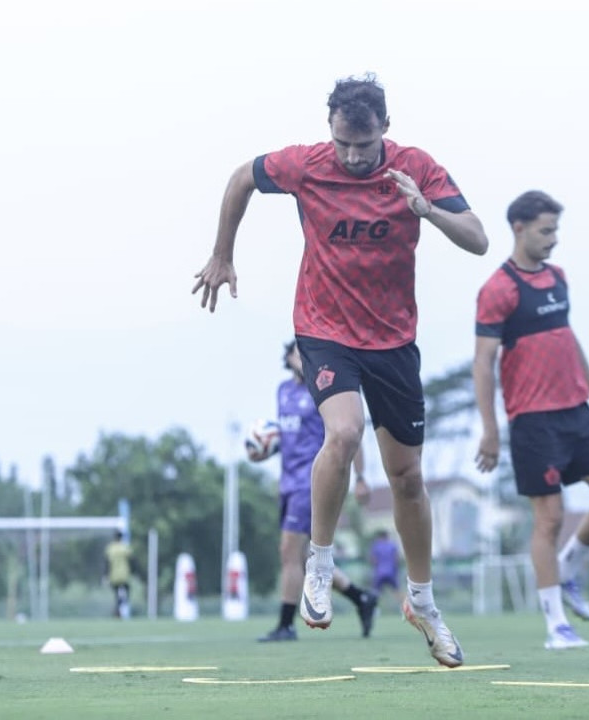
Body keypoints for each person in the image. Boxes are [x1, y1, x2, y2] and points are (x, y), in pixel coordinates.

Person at [193, 73, 488, 667]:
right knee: (345, 431)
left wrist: (426, 210)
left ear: (386, 128)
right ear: (331, 130)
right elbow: (240, 178)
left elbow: (479, 240)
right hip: (323, 330)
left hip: (393, 339)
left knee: (406, 478)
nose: (354, 157)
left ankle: (423, 604)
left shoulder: (417, 168)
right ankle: (319, 565)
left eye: (365, 144)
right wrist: (222, 253)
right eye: (344, 144)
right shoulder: (306, 165)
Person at [472, 190, 589, 650]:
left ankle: (571, 565)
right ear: (519, 228)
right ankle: (556, 626)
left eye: (556, 230)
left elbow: (567, 336)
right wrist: (490, 430)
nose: (554, 239)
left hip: (576, 412)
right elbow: (482, 363)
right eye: (546, 230)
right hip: (532, 421)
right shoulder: (498, 290)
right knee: (549, 518)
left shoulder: (558, 278)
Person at [257, 340, 379, 642]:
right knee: (297, 560)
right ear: (286, 357)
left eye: (305, 351)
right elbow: (289, 438)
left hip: (308, 484)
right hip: (286, 483)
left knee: (289, 552)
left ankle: (285, 625)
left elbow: (350, 435)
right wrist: (265, 449)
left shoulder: (322, 389)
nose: (302, 356)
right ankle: (361, 598)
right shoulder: (283, 391)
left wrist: (361, 477)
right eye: (296, 352)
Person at [104, 530, 133, 619]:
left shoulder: (110, 548)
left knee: (116, 595)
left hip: (113, 575)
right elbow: (132, 561)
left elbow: (106, 563)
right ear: (121, 538)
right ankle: (118, 608)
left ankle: (117, 610)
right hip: (124, 575)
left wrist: (105, 575)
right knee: (127, 592)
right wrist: (134, 572)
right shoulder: (125, 548)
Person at [368, 529, 402, 604]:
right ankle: (404, 608)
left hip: (379, 573)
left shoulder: (376, 545)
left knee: (375, 593)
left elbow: (373, 560)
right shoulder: (393, 545)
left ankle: (373, 609)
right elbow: (397, 559)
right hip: (391, 572)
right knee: (397, 591)